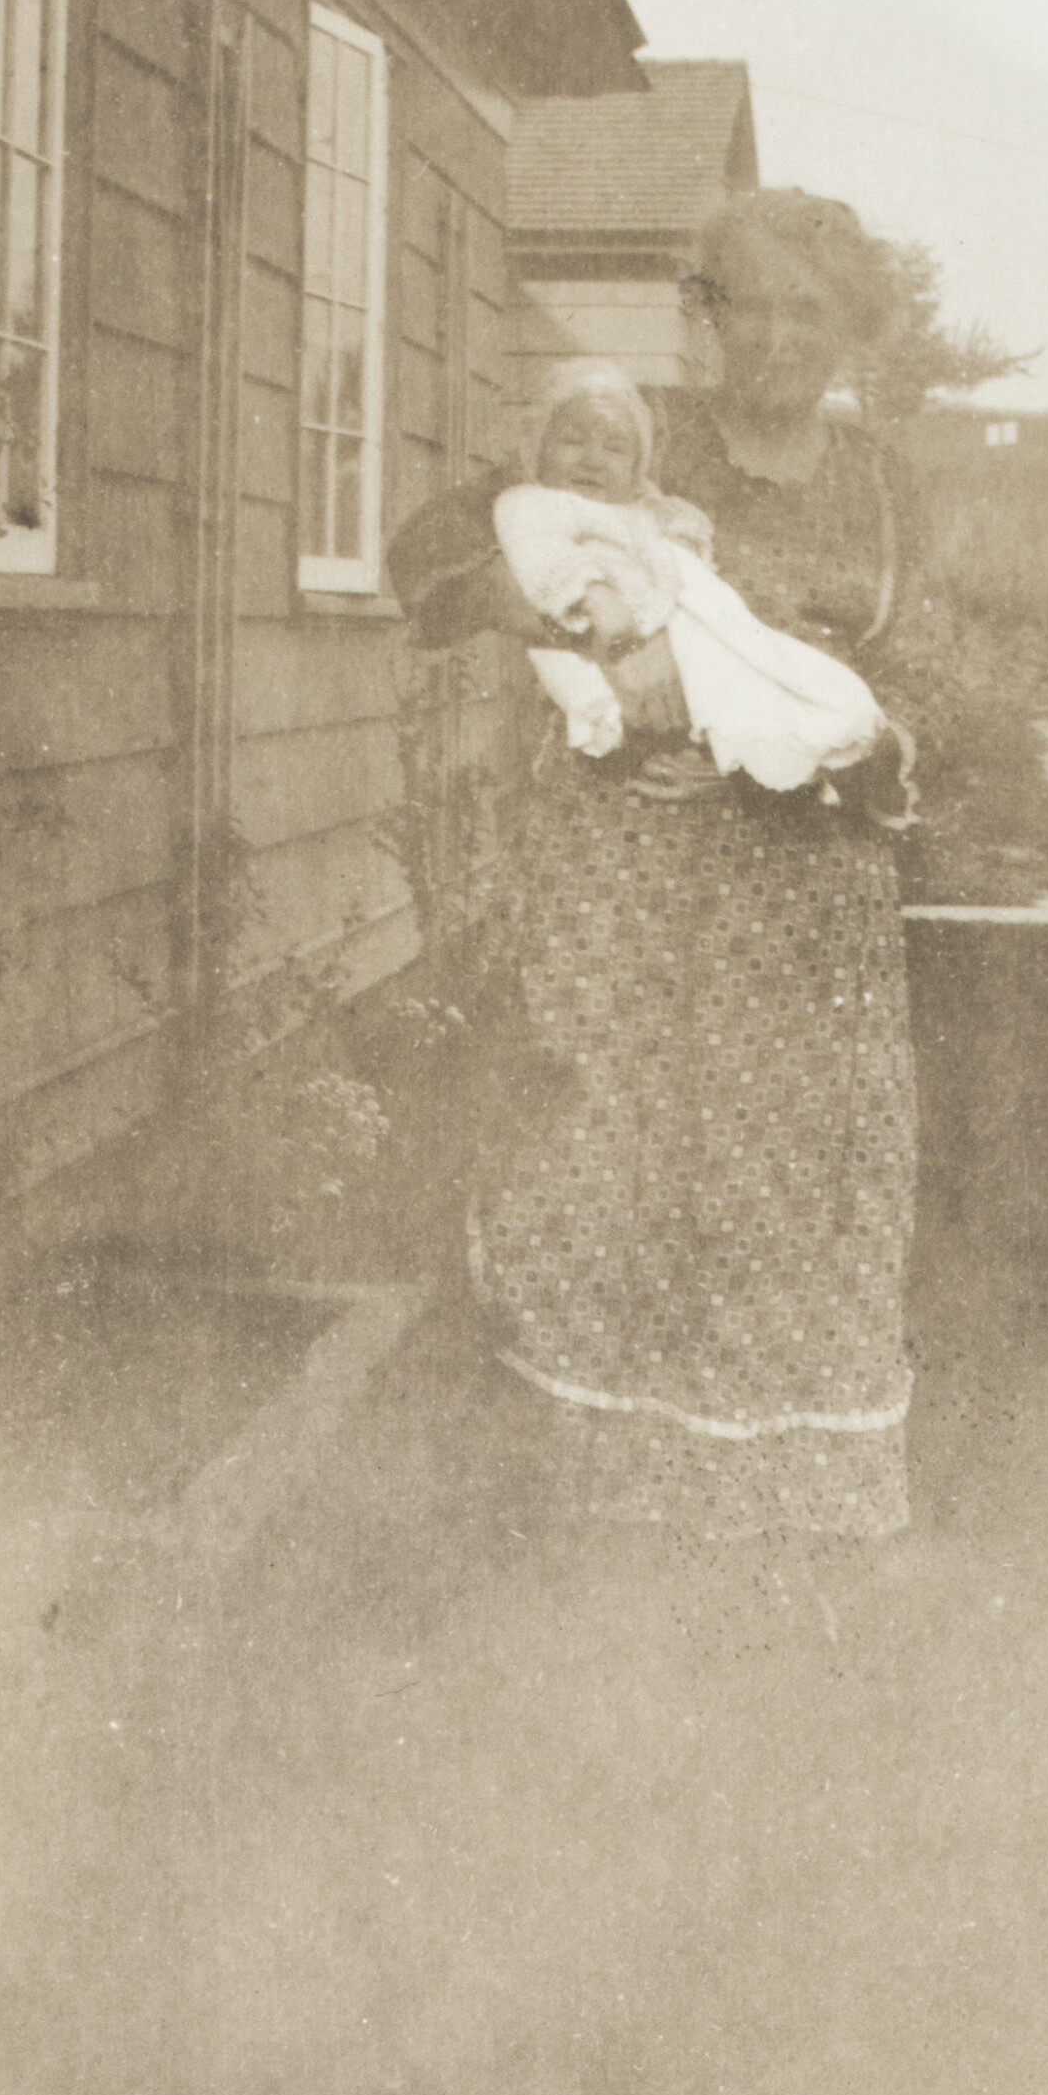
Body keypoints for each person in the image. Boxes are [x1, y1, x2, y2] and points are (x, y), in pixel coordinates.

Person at [387, 188, 922, 1544]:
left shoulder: (887, 488)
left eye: (814, 308)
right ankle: (582, 1498)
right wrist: (540, 598)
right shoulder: (630, 429)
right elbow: (430, 557)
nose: (781, 336)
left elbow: (945, 687)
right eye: (748, 303)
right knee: (597, 1160)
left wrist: (846, 734)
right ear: (706, 319)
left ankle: (787, 1510)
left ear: (853, 329)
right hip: (618, 887)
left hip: (807, 903)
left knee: (796, 1181)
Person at [498, 358, 910, 807]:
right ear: (538, 450)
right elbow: (538, 555)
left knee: (785, 678)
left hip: (691, 635)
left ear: (639, 468)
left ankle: (831, 752)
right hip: (610, 648)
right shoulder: (536, 504)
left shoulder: (645, 512)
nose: (592, 458)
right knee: (731, 701)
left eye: (615, 448)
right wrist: (597, 608)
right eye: (572, 441)